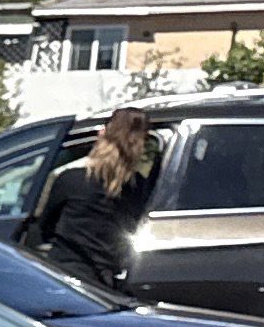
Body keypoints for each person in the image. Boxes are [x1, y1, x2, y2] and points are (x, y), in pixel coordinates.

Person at [19, 106, 159, 288]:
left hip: (64, 277)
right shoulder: (140, 189)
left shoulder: (71, 180)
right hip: (107, 285)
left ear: (102, 134)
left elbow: (44, 228)